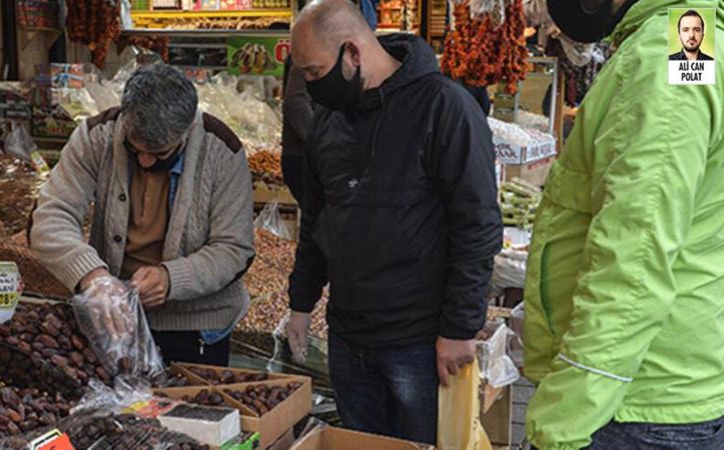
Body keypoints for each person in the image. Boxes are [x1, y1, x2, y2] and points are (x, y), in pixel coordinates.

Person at [285, 0, 502, 445]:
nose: (308, 85)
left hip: (420, 343)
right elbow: (316, 217)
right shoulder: (328, 121)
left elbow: (477, 226)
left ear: (353, 53)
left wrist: (458, 329)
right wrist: (301, 302)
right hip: (347, 336)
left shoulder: (445, 108)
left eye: (313, 71)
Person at [526, 0, 724, 449]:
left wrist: (561, 424)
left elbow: (634, 261)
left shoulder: (668, 58)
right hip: (652, 386)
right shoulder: (686, 39)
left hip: (630, 402)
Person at [30, 64, 255, 367]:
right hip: (113, 318)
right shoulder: (98, 135)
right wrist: (92, 277)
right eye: (135, 150)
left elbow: (234, 249)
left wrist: (171, 279)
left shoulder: (222, 150)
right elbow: (49, 216)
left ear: (187, 131)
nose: (146, 161)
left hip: (196, 328)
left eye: (160, 153)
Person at [281, 56, 314, 203]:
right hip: (304, 158)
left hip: (306, 155)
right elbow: (296, 103)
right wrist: (324, 143)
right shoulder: (313, 45)